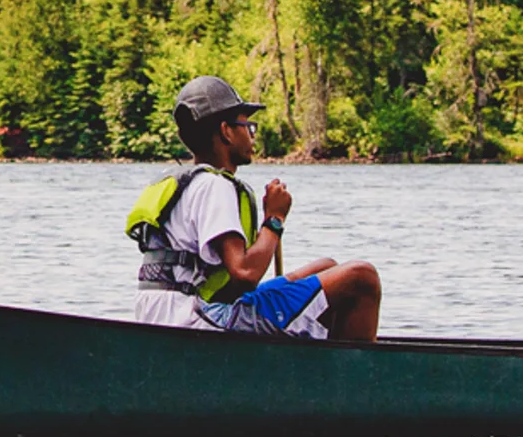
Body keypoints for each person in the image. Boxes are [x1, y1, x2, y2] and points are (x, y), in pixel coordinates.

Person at [128, 75, 382, 341]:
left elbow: (232, 285)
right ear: (226, 131)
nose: (251, 134)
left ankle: (317, 359)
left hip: (162, 314)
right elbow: (245, 274)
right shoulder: (215, 185)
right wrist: (274, 218)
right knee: (361, 278)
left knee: (326, 267)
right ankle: (352, 378)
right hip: (195, 320)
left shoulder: (185, 182)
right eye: (246, 125)